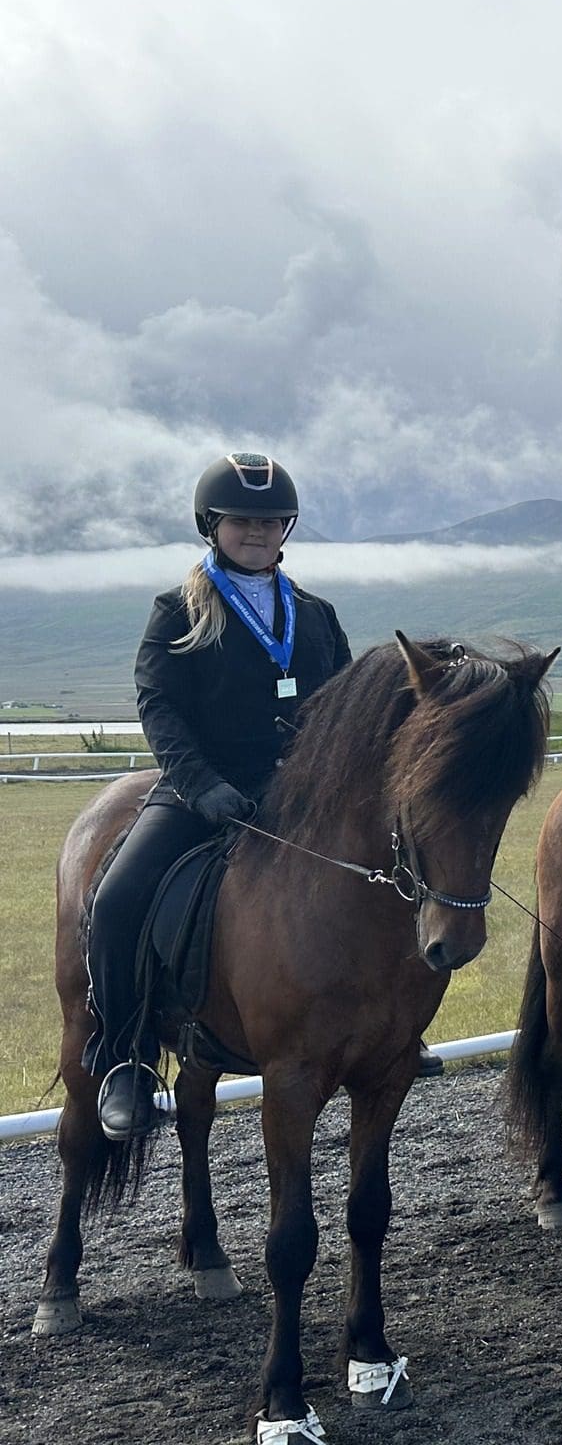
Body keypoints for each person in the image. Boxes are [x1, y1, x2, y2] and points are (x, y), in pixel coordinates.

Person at [87, 453, 352, 1140]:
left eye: (270, 521)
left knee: (392, 874)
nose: (257, 532)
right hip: (201, 792)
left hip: (301, 798)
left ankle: (388, 1031)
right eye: (243, 521)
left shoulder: (316, 615)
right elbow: (160, 708)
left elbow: (346, 706)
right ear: (213, 525)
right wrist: (204, 788)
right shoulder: (178, 610)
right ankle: (126, 1059)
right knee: (116, 900)